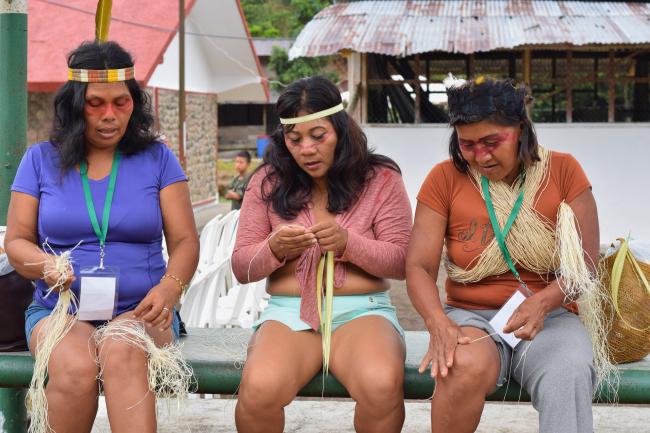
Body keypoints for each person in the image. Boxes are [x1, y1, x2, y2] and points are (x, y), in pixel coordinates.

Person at [5, 41, 199, 433]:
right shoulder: (40, 159)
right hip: (59, 311)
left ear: (134, 103)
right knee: (74, 364)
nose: (110, 115)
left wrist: (169, 289)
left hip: (145, 312)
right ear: (75, 104)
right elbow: (16, 240)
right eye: (96, 104)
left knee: (122, 348)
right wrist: (45, 265)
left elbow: (185, 242)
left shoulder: (158, 159)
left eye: (121, 103)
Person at [406, 76, 599, 433]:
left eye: (492, 142)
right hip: (472, 316)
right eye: (467, 145)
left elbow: (585, 265)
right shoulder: (444, 178)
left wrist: (543, 302)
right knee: (459, 366)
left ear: (521, 129)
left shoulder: (564, 171)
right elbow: (418, 266)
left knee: (569, 370)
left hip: (552, 316)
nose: (481, 155)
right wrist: (437, 322)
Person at [231, 76, 412, 433]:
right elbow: (241, 267)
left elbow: (403, 261)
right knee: (259, 388)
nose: (306, 149)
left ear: (341, 130)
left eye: (318, 136)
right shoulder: (267, 181)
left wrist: (349, 243)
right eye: (294, 139)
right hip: (288, 315)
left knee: (381, 384)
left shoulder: (381, 178)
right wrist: (274, 249)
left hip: (363, 312)